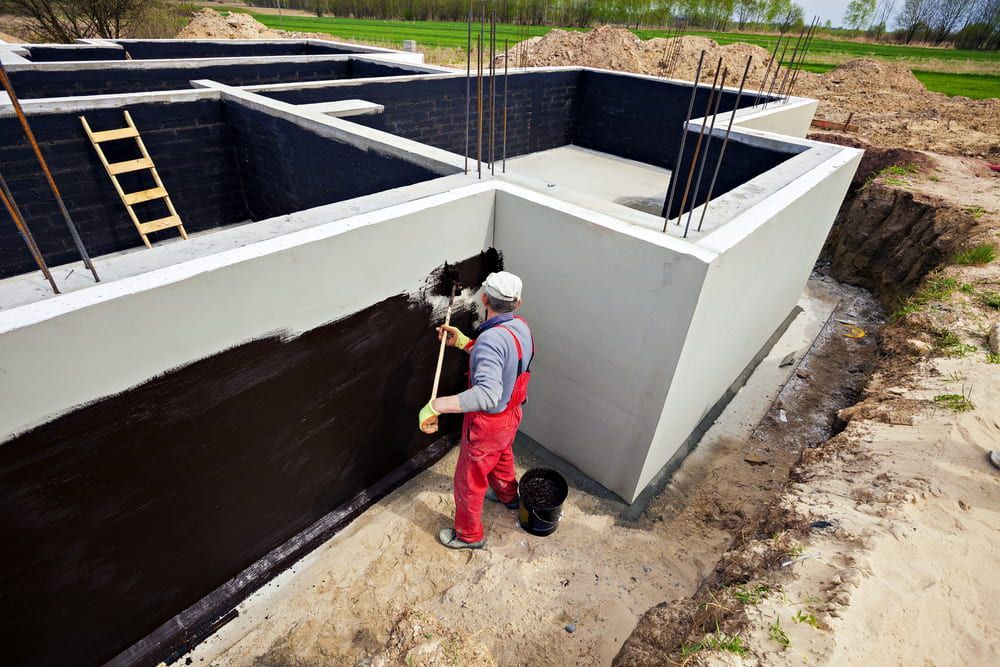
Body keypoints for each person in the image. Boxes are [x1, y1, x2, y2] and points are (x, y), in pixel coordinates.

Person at [418, 271, 534, 549]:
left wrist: (436, 405)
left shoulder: (491, 341)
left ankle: (469, 536)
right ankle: (508, 496)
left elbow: (487, 394)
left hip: (488, 425)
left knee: (469, 482)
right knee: (502, 455)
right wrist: (463, 342)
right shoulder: (520, 327)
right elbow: (505, 365)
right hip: (511, 415)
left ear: (484, 299)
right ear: (517, 303)